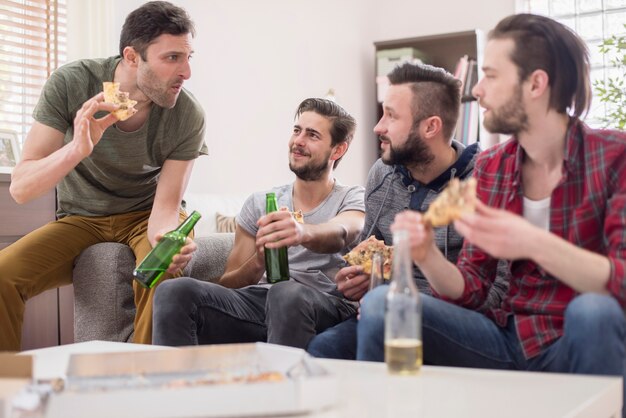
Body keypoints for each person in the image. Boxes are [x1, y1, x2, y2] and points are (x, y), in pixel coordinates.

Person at [360, 13, 626, 413]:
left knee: (594, 311)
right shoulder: (493, 166)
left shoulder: (613, 156)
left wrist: (532, 241)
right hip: (505, 340)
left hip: (574, 342)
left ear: (535, 84)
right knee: (382, 305)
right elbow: (474, 288)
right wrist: (426, 255)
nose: (478, 90)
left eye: (491, 75)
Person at [0, 1, 206, 350]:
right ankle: (5, 389)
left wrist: (165, 243)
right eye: (172, 58)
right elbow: (21, 188)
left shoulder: (187, 114)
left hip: (144, 215)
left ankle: (141, 388)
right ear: (131, 56)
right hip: (81, 218)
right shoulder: (72, 82)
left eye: (188, 57)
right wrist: (76, 150)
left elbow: (167, 204)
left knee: (159, 275)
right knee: (3, 275)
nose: (186, 72)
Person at [307, 62, 506, 360]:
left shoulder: (483, 182)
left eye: (391, 115)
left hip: (461, 322)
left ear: (430, 127)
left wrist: (399, 301)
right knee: (322, 350)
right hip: (384, 311)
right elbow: (373, 255)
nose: (378, 127)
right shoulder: (382, 174)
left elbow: (496, 294)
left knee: (381, 309)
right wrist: (361, 279)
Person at [152, 98, 365, 348]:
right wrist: (259, 261)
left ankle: (287, 386)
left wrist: (301, 232)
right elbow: (229, 283)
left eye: (312, 135)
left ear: (338, 150)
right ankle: (175, 385)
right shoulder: (261, 202)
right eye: (297, 130)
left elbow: (344, 231)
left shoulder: (351, 198)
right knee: (174, 291)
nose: (298, 141)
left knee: (285, 292)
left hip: (322, 304)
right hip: (258, 304)